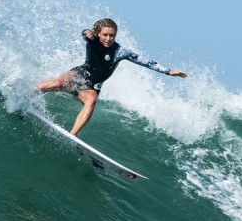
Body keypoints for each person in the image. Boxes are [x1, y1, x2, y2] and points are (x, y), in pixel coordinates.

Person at [35, 18, 188, 136]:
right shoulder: (92, 40)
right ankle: (25, 91)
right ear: (98, 34)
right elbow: (85, 33)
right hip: (80, 74)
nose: (108, 39)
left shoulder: (120, 51)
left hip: (92, 86)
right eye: (105, 35)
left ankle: (72, 135)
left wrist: (168, 71)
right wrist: (86, 32)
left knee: (92, 100)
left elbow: (145, 62)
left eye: (112, 35)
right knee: (59, 82)